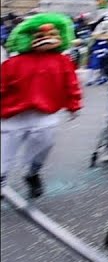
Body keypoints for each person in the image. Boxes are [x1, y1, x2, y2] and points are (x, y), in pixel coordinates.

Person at [1, 13, 83, 198]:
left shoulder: (63, 62)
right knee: (4, 153)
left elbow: (71, 84)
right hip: (11, 116)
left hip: (45, 115)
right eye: (39, 36)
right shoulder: (12, 63)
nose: (46, 39)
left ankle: (32, 174)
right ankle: (1, 178)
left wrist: (74, 104)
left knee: (43, 147)